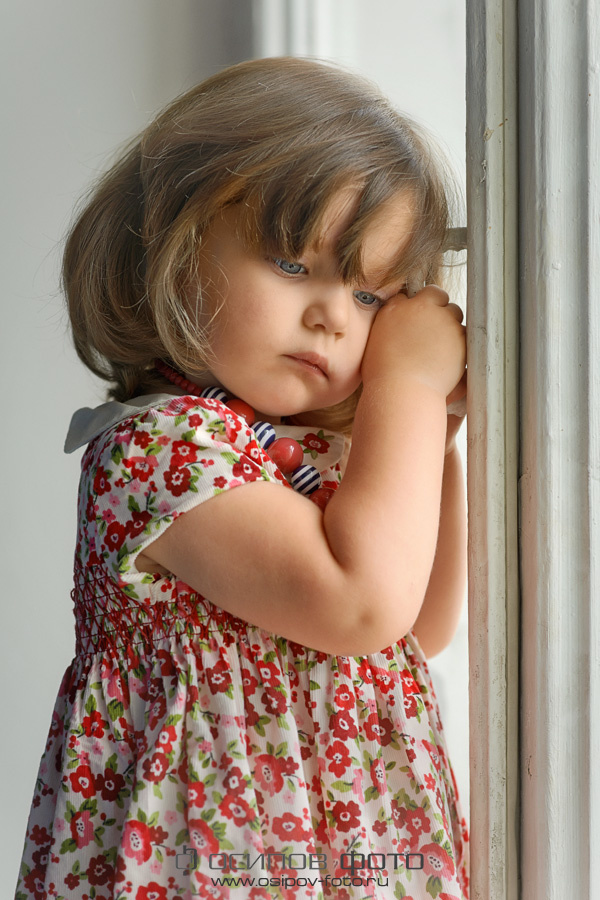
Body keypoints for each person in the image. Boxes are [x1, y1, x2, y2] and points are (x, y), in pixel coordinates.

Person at [14, 57, 469, 900]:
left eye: (372, 298)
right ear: (172, 243)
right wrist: (407, 384)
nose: (332, 317)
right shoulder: (162, 445)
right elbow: (362, 606)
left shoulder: (289, 452)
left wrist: (426, 432)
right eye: (294, 266)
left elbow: (417, 627)